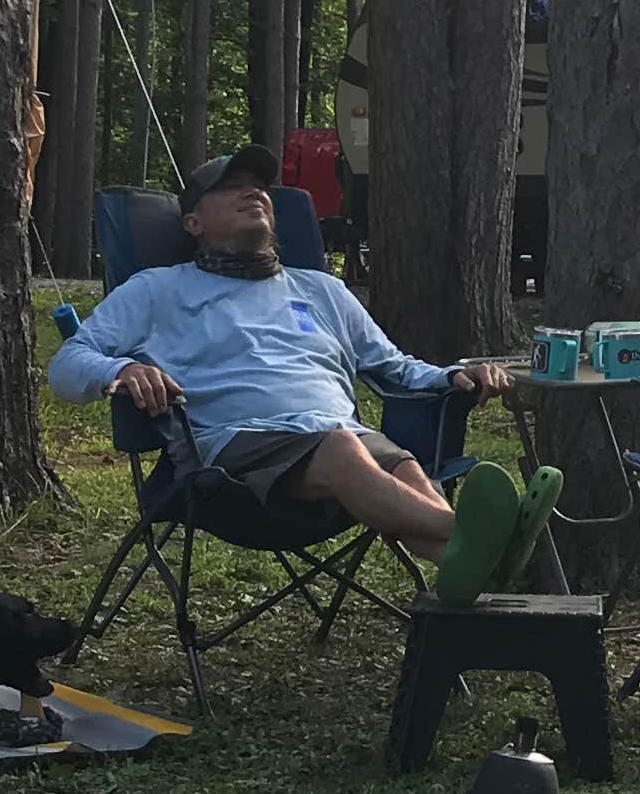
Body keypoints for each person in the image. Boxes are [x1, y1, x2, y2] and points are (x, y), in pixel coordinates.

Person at [45, 146, 557, 604]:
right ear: (193, 222)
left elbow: (396, 367)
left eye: (259, 186)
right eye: (230, 187)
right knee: (344, 449)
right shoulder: (156, 290)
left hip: (340, 440)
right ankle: (488, 534)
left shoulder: (322, 290)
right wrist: (124, 367)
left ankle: (468, 565)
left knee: (400, 465)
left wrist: (454, 376)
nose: (252, 193)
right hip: (232, 456)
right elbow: (68, 364)